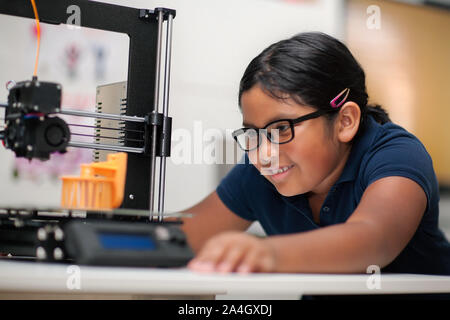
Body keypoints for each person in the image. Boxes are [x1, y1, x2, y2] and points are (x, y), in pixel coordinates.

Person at [180, 32, 450, 277]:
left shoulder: (396, 155)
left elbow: (374, 241)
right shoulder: (260, 172)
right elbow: (179, 238)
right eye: (253, 134)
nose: (263, 155)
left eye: (281, 129)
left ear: (345, 121)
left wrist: (267, 252)